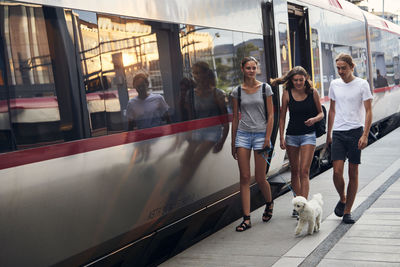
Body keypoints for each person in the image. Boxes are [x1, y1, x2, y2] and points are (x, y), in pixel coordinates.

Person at [271, 66, 324, 218]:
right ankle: (297, 205)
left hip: (308, 135)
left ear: (306, 79)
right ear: (291, 80)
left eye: (301, 80)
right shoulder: (287, 93)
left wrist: (314, 119)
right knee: (294, 171)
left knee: (304, 171)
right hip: (292, 135)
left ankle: (304, 206)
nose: (299, 83)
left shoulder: (313, 92)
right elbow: (281, 117)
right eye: (296, 80)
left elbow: (321, 113)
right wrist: (281, 137)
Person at [326, 53, 373, 224]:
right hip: (338, 132)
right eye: (338, 68)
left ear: (352, 67)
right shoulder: (334, 84)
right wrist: (329, 133)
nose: (340, 71)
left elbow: (368, 110)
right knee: (337, 172)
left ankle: (347, 211)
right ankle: (343, 197)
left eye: (343, 68)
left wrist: (365, 134)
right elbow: (332, 110)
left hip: (355, 132)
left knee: (353, 172)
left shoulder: (362, 84)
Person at [231, 56, 274, 232]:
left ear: (257, 69)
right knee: (244, 177)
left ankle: (269, 203)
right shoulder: (237, 92)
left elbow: (271, 115)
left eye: (253, 68)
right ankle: (247, 218)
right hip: (243, 134)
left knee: (260, 177)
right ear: (242, 69)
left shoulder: (265, 88)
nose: (251, 71)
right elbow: (235, 117)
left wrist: (267, 138)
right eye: (248, 68)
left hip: (261, 135)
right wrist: (233, 142)